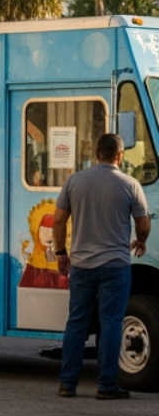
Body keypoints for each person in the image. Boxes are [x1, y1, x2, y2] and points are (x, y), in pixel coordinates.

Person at [54, 132, 151, 399]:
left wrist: (61, 252)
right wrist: (140, 241)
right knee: (110, 323)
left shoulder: (75, 181)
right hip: (115, 265)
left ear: (96, 153)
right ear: (120, 155)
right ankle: (106, 385)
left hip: (82, 265)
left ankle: (67, 384)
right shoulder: (130, 184)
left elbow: (59, 220)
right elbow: (143, 223)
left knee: (76, 323)